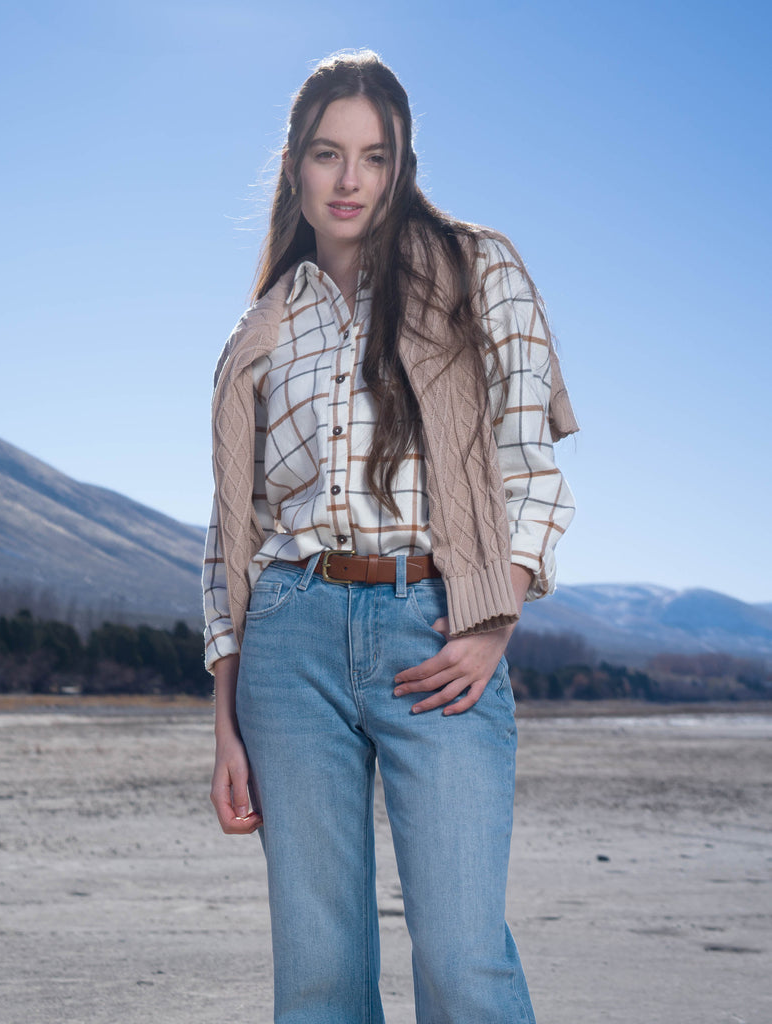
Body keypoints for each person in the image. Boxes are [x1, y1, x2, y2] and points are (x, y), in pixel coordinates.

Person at [204, 49, 577, 1024]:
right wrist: (225, 718)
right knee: (319, 977)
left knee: (461, 964)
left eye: (375, 154)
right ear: (295, 167)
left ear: (403, 160)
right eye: (328, 154)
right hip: (287, 639)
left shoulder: (477, 265)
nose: (351, 178)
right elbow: (232, 533)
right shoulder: (262, 327)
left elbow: (528, 463)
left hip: (435, 624)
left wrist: (491, 624)